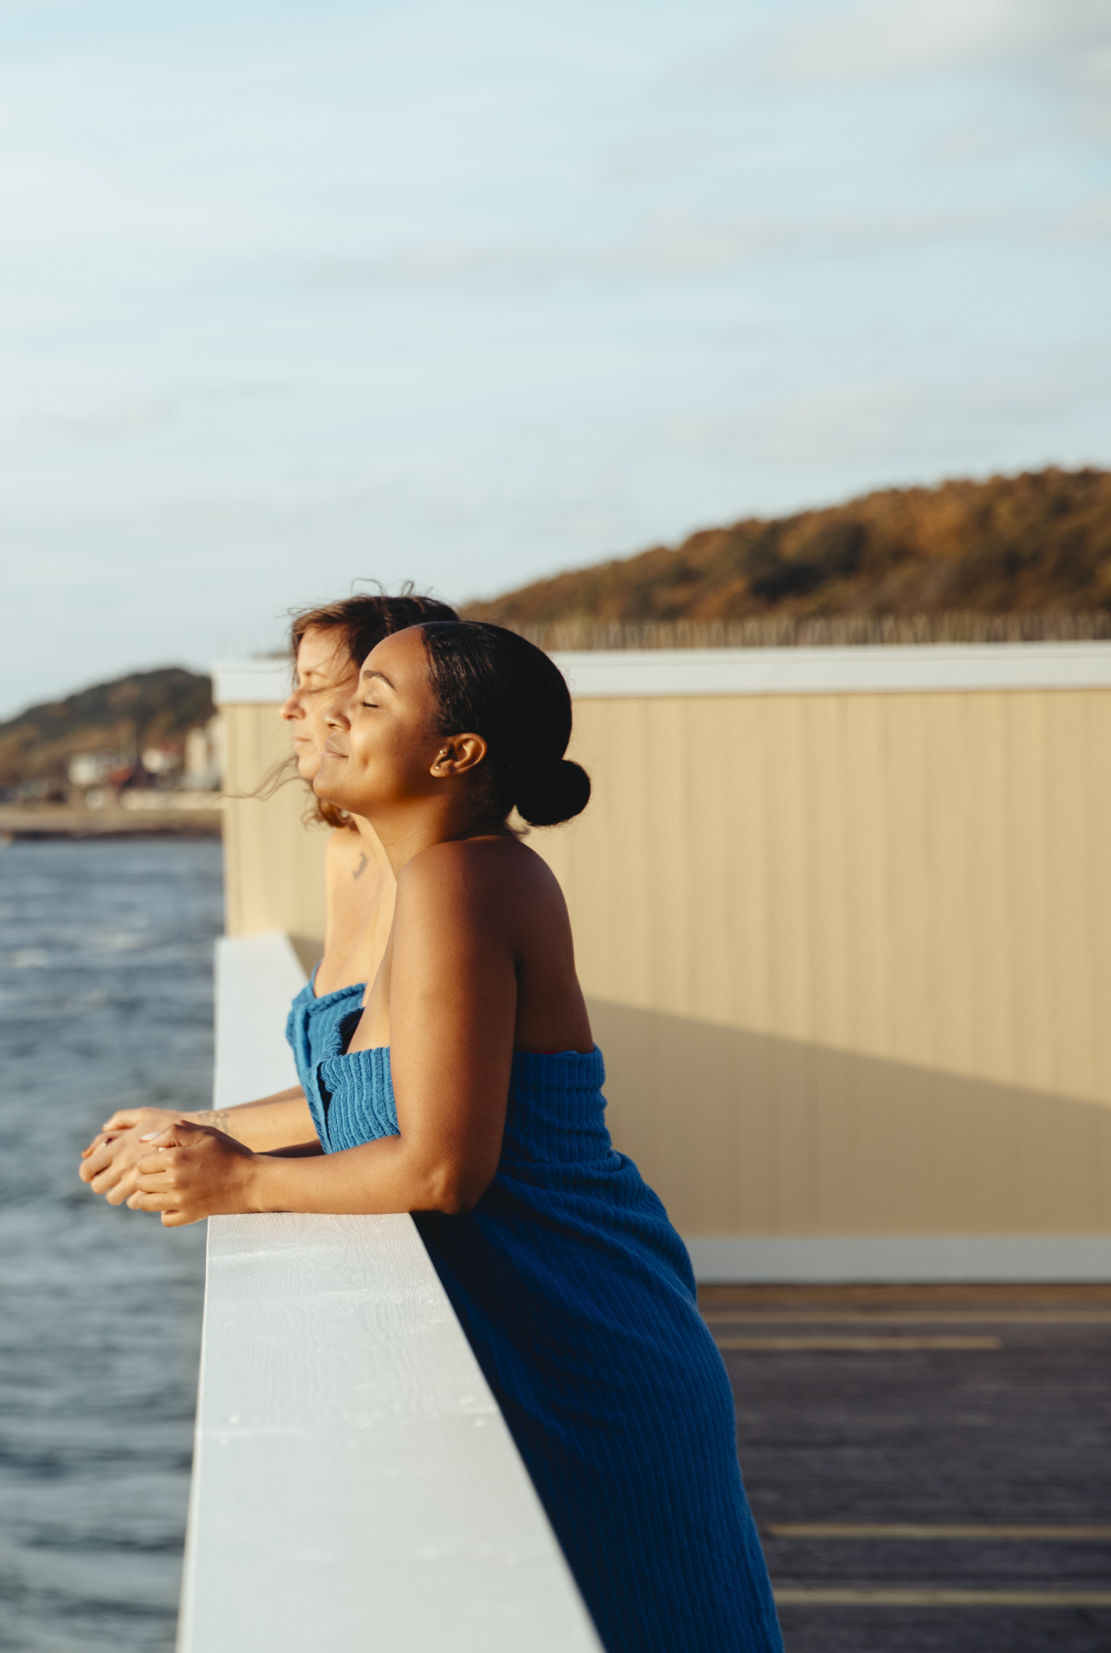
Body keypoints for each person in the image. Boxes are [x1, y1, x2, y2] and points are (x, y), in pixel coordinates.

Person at [109, 621, 782, 1653]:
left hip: (579, 1340)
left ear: (455, 754)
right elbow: (367, 1097)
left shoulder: (463, 882)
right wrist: (199, 1129)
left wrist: (237, 1184)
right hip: (541, 1321)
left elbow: (437, 1166)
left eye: (369, 700)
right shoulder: (436, 880)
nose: (329, 713)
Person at [77, 592, 455, 1201]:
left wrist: (208, 1145)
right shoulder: (349, 854)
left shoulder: (442, 881)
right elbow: (344, 1090)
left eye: (312, 683)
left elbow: (409, 1114)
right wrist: (188, 1128)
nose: (290, 708)